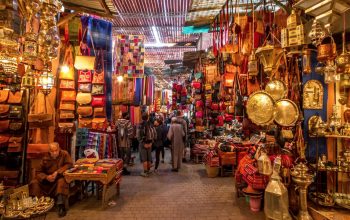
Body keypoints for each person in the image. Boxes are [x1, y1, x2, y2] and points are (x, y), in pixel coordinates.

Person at [29, 142, 73, 218]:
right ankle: (36, 205)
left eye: (56, 150)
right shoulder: (45, 157)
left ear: (59, 149)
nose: (54, 153)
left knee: (62, 181)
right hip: (47, 180)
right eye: (52, 151)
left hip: (59, 177)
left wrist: (58, 172)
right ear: (49, 151)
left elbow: (69, 164)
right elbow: (38, 171)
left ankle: (60, 206)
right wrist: (46, 177)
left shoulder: (64, 154)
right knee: (34, 182)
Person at [136, 113, 156, 177]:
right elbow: (155, 134)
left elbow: (138, 135)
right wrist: (151, 143)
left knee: (144, 158)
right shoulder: (151, 125)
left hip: (143, 144)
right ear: (147, 118)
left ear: (141, 117)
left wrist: (142, 143)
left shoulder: (140, 125)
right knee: (149, 157)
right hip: (150, 143)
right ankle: (148, 170)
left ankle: (145, 172)